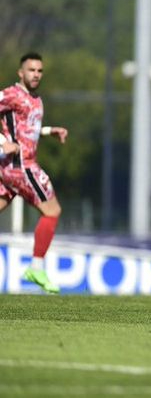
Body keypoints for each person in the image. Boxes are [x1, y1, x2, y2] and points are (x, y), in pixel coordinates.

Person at [0, 52, 69, 294]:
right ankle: (36, 267)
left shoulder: (35, 99)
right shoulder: (12, 94)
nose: (36, 74)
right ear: (20, 72)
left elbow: (25, 129)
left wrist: (50, 130)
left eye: (40, 70)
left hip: (9, 170)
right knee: (52, 211)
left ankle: (36, 267)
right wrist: (1, 142)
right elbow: (10, 136)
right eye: (31, 70)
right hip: (21, 167)